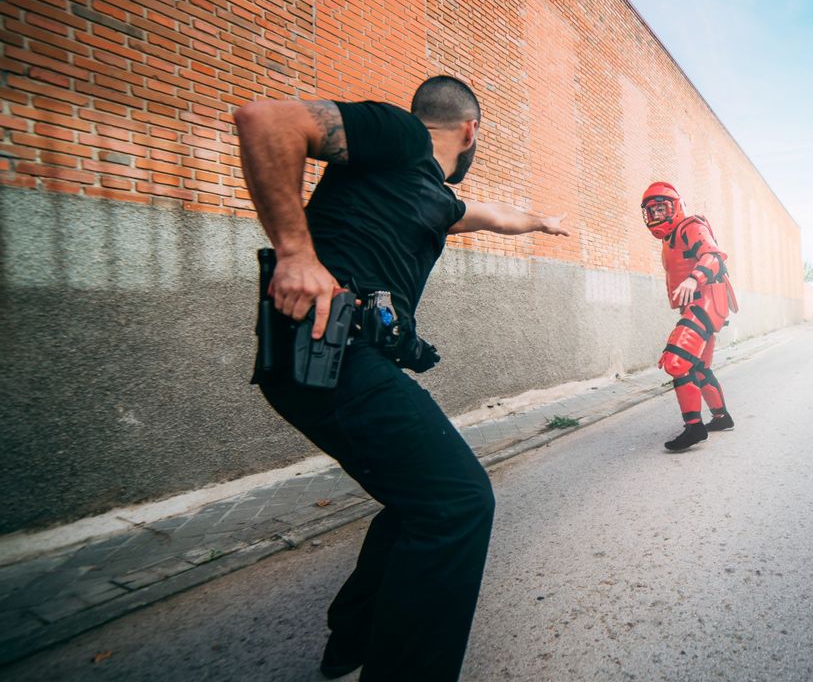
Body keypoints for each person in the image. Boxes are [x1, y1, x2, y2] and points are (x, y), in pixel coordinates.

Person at [233, 75, 569, 682]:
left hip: (343, 358)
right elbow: (267, 120)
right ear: (471, 131)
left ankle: (352, 638)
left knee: (422, 499)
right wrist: (295, 254)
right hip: (328, 346)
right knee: (458, 502)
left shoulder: (434, 198)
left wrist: (540, 222)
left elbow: (493, 214)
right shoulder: (402, 134)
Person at [641, 181, 739, 451]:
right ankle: (721, 417)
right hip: (699, 303)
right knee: (699, 368)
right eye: (652, 211)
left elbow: (714, 257)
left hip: (706, 300)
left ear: (675, 207)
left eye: (661, 208)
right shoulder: (669, 238)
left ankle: (694, 427)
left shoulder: (690, 226)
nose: (657, 215)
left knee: (676, 362)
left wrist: (694, 279)